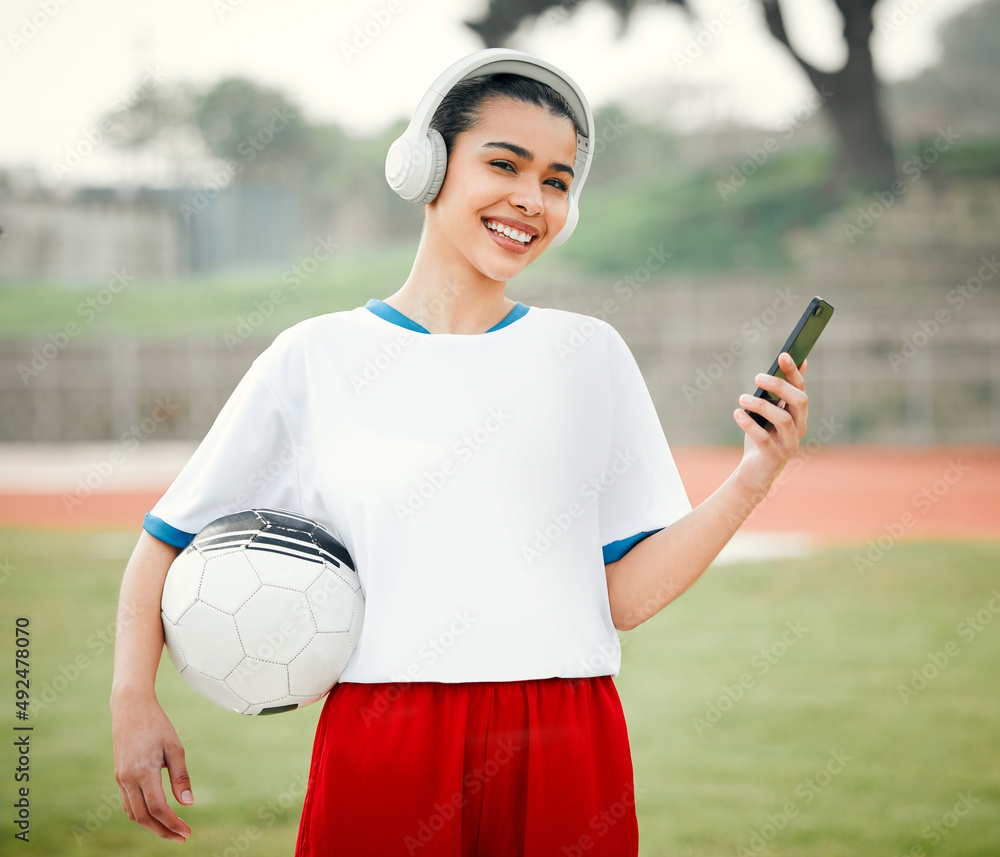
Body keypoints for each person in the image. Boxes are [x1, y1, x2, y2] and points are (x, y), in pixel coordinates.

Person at [110, 49, 809, 856]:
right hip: (384, 735)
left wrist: (755, 476)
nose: (531, 199)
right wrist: (134, 698)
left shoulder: (590, 354)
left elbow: (623, 597)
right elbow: (166, 539)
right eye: (504, 164)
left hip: (565, 736)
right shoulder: (315, 357)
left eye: (556, 180)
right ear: (427, 165)